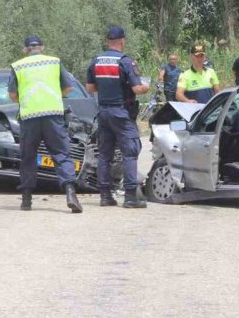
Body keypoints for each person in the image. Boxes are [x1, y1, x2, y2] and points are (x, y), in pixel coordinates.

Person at [8, 36, 83, 213]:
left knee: (28, 156)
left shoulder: (18, 66)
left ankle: (26, 199)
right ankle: (70, 193)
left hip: (29, 117)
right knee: (61, 154)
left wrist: (27, 100)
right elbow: (69, 89)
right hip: (53, 116)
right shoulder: (55, 62)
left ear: (25, 50)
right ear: (42, 47)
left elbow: (12, 95)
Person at [86, 26, 151, 209]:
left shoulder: (96, 61)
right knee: (130, 151)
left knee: (105, 155)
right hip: (122, 112)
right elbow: (137, 89)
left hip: (104, 112)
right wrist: (146, 87)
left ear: (107, 41)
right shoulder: (125, 61)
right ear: (122, 41)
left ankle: (105, 196)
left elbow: (90, 88)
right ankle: (130, 196)